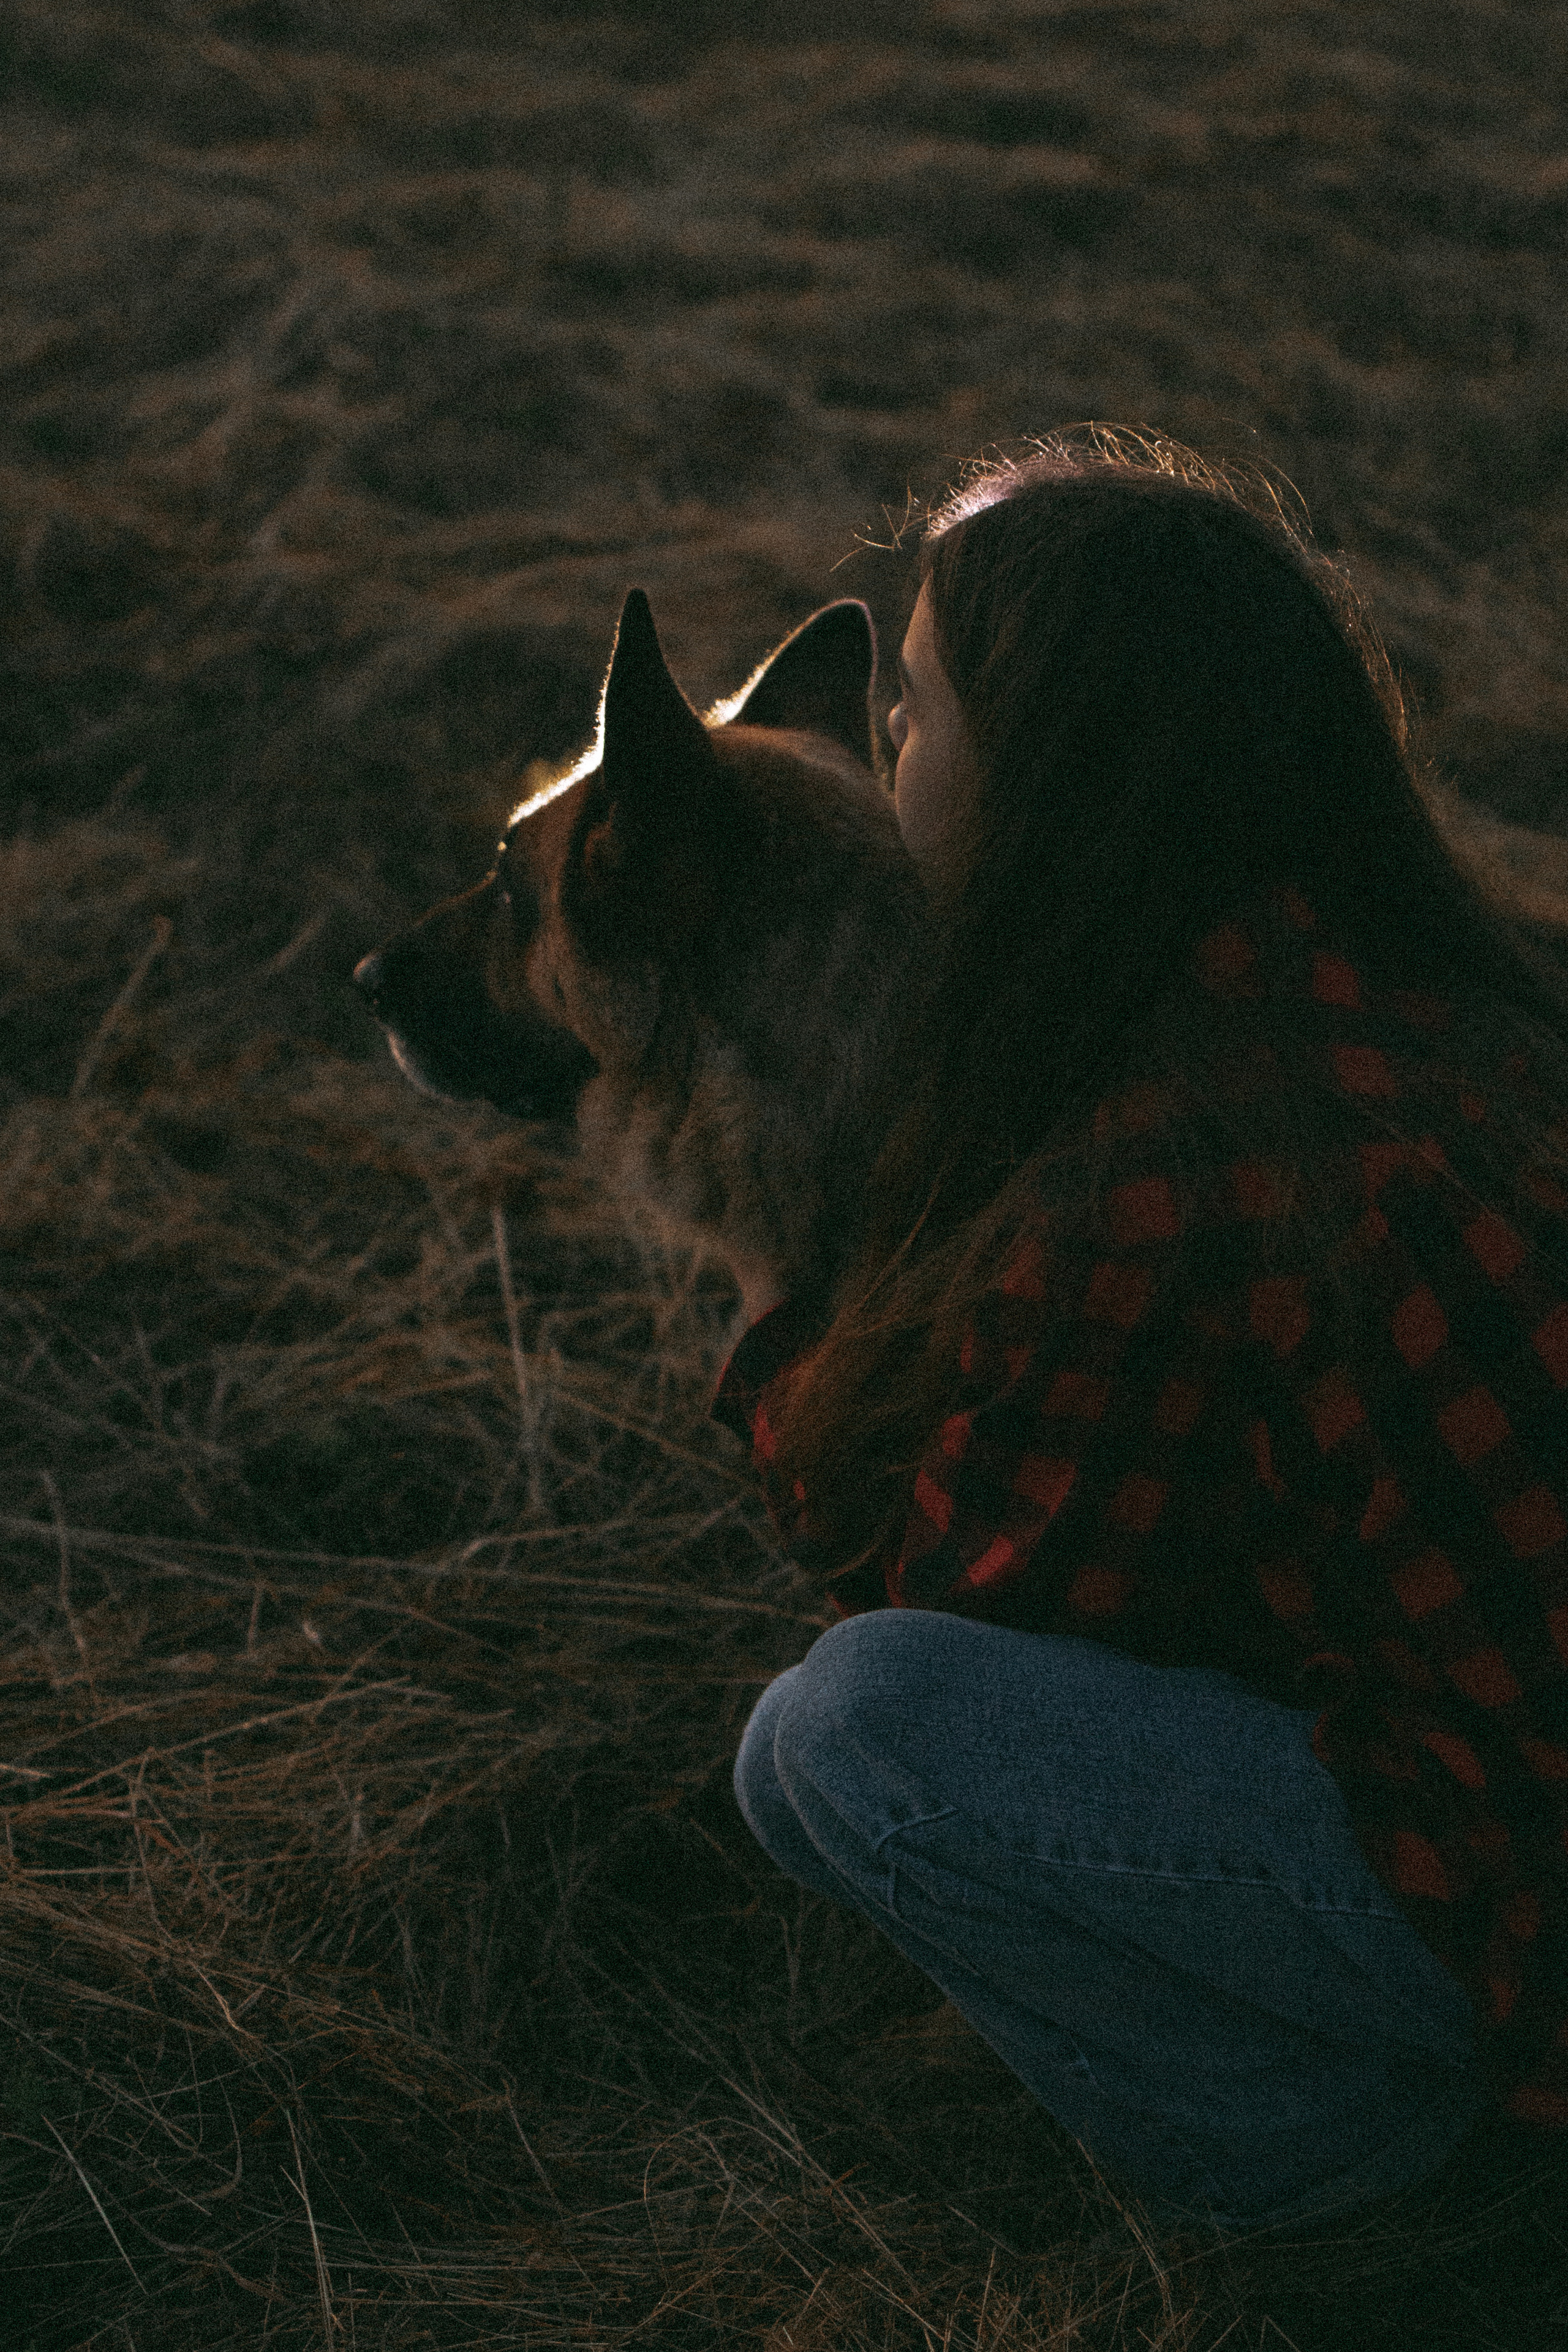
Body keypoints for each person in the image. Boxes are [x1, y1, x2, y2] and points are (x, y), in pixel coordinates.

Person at [712, 427, 1568, 2245]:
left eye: (919, 707)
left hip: (1522, 1883)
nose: (885, 753)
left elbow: (948, 1593)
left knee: (840, 1741)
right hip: (1510, 1755)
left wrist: (771, 1280)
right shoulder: (1412, 973)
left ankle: (1348, 2160)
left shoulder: (1172, 1159)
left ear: (1056, 776)